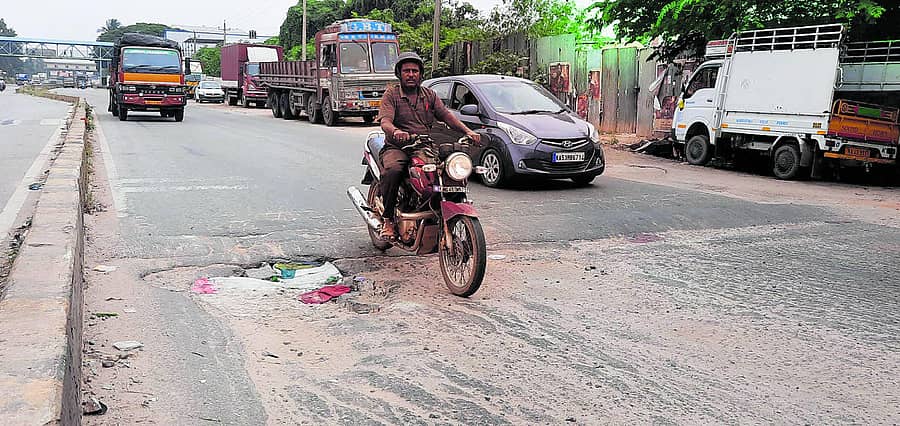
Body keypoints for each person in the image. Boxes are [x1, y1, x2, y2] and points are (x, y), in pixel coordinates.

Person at [377, 52, 482, 240]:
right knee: (393, 170)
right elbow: (385, 121)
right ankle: (388, 219)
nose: (411, 74)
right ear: (399, 74)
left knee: (442, 172)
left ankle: (435, 207)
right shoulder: (391, 94)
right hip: (397, 146)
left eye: (415, 71)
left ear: (420, 74)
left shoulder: (429, 95)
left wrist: (468, 132)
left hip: (423, 145)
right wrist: (396, 131)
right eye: (407, 71)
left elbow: (447, 116)